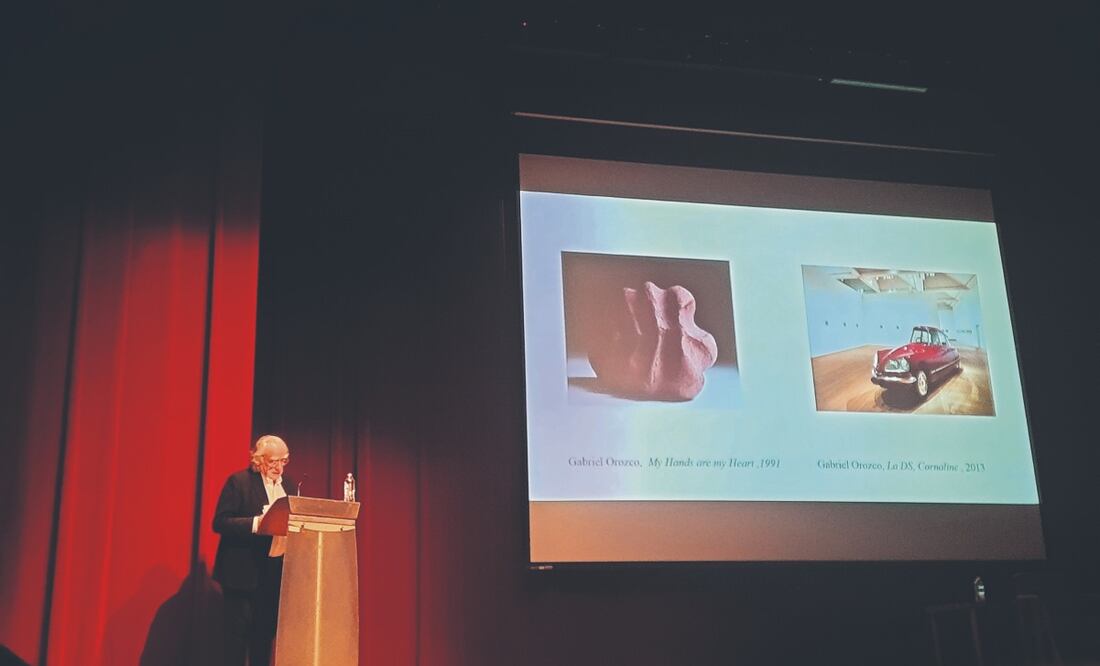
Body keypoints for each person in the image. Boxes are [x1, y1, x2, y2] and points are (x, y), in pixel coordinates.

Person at [213, 435, 295, 666]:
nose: (279, 467)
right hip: (241, 575)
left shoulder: (288, 486)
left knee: (263, 640)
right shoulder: (239, 482)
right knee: (236, 643)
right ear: (259, 461)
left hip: (272, 575)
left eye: (284, 461)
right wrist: (257, 523)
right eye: (273, 462)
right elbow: (220, 522)